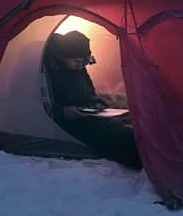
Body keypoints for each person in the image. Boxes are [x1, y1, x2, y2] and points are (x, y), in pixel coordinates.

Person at [44, 30, 142, 170]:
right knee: (120, 136)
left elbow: (88, 91)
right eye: (77, 62)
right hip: (64, 122)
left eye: (83, 62)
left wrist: (95, 101)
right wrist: (61, 112)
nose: (80, 67)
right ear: (62, 56)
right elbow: (32, 105)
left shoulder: (79, 66)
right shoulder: (45, 69)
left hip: (83, 111)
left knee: (126, 108)